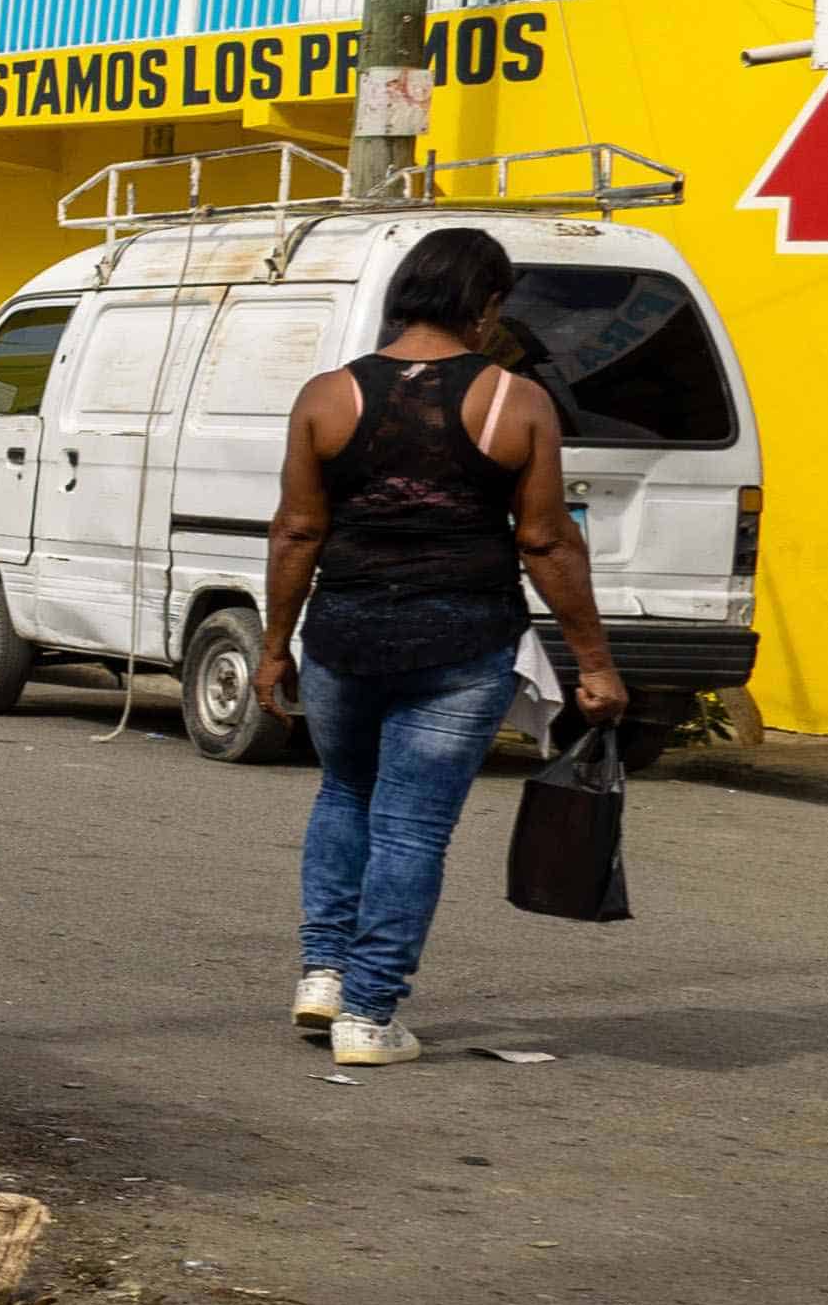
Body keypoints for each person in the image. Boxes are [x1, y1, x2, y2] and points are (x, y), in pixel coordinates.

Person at [253, 224, 631, 1065]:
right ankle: (369, 1013)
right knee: (411, 831)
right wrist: (594, 663)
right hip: (460, 642)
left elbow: (296, 530)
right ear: (486, 304)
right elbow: (545, 543)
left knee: (345, 796)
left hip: (344, 635)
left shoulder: (327, 396)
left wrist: (275, 646)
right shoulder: (516, 403)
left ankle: (323, 974)